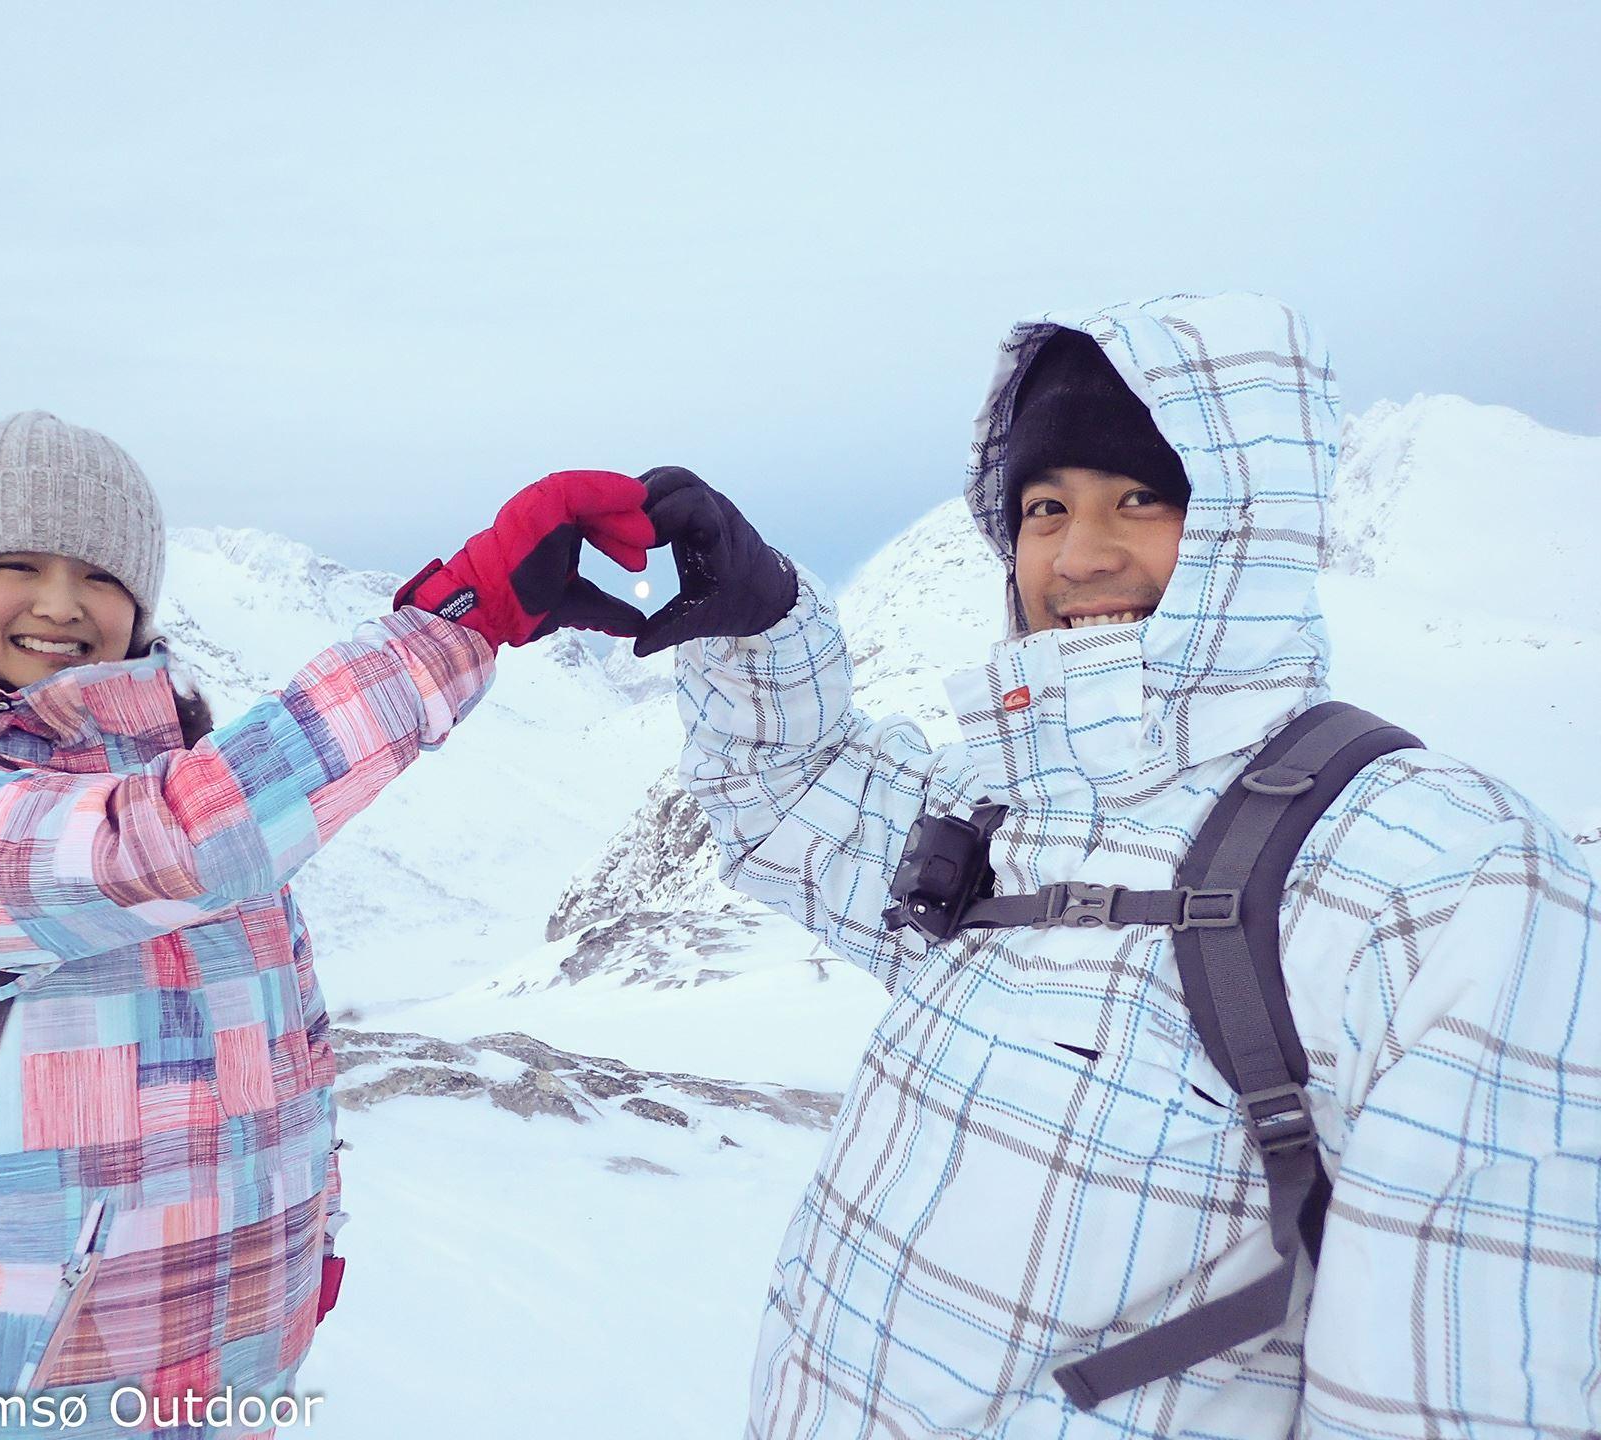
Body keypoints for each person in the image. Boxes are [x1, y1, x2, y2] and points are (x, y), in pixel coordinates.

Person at [632, 294, 1601, 1438]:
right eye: (1046, 507)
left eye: (1143, 497)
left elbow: (1454, 1405)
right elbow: (785, 805)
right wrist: (758, 620)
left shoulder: (1445, 878)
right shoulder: (1011, 810)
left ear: (1251, 526)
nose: (1081, 554)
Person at [0, 410, 651, 1438]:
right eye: (15, 565)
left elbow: (279, 1059)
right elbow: (153, 848)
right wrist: (461, 617)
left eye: (99, 573)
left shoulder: (179, 766)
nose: (60, 603)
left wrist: (300, 1266)